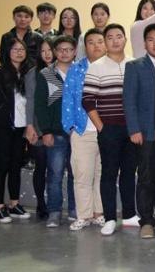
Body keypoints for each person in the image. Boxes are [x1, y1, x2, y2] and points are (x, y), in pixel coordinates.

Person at [82, 23, 135, 236]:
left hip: (132, 129)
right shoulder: (97, 66)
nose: (115, 40)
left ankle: (129, 215)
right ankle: (110, 218)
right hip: (109, 129)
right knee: (109, 174)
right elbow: (88, 100)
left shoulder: (134, 64)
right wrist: (102, 128)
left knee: (129, 173)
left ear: (125, 40)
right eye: (110, 37)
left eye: (119, 36)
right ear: (105, 42)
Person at [124, 23, 155, 239]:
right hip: (145, 131)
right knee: (146, 177)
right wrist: (134, 129)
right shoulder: (135, 66)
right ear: (144, 43)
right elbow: (129, 100)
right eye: (151, 40)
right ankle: (147, 220)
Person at [0, 38, 33, 223]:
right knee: (2, 165)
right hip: (3, 126)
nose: (19, 52)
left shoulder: (29, 73)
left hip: (21, 127)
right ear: (7, 52)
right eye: (15, 49)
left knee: (15, 165)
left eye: (22, 49)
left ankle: (14, 203)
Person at [62, 28, 106, 231]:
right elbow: (68, 98)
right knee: (82, 175)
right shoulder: (76, 69)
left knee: (102, 175)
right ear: (85, 46)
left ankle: (99, 213)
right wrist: (70, 126)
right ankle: (84, 214)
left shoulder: (113, 67)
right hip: (82, 130)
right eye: (91, 42)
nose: (96, 46)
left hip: (107, 131)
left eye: (100, 41)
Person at [35, 35, 77, 228]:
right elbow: (40, 105)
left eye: (69, 49)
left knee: (77, 174)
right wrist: (46, 131)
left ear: (74, 52)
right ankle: (54, 212)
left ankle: (75, 210)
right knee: (55, 174)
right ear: (55, 52)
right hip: (55, 133)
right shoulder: (46, 74)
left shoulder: (80, 71)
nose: (64, 53)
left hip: (78, 133)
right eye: (60, 50)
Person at [23, 37, 54, 220]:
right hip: (38, 127)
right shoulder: (32, 73)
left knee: (55, 169)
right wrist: (29, 126)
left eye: (49, 50)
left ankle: (54, 204)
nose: (46, 54)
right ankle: (41, 204)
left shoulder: (61, 70)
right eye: (43, 51)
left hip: (57, 127)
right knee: (41, 167)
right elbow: (30, 102)